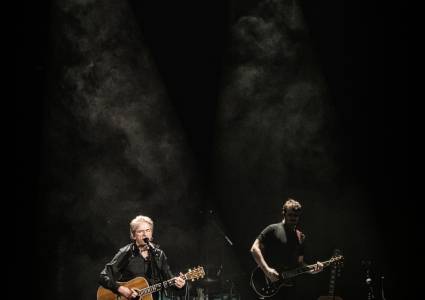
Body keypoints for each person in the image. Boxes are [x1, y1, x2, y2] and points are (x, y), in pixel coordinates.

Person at [250, 198, 324, 299]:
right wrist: (266, 270)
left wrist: (312, 270)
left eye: (296, 215)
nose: (293, 218)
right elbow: (254, 248)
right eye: (290, 215)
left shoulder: (300, 237)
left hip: (289, 288)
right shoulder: (272, 229)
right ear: (284, 213)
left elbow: (300, 263)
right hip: (269, 283)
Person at [99, 215, 186, 300]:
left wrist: (179, 284)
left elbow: (169, 280)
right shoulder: (126, 253)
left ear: (151, 233)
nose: (145, 234)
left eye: (148, 230)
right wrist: (120, 289)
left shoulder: (159, 254)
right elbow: (103, 276)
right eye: (140, 231)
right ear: (133, 235)